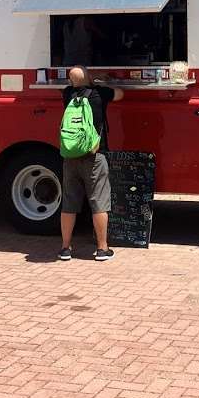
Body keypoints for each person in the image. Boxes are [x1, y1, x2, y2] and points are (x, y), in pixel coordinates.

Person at [58, 66, 124, 261]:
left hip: (70, 156)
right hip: (95, 155)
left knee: (69, 202)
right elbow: (120, 94)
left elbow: (76, 83)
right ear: (89, 78)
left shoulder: (67, 94)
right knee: (99, 202)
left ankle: (65, 248)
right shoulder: (99, 94)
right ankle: (102, 249)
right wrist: (101, 82)